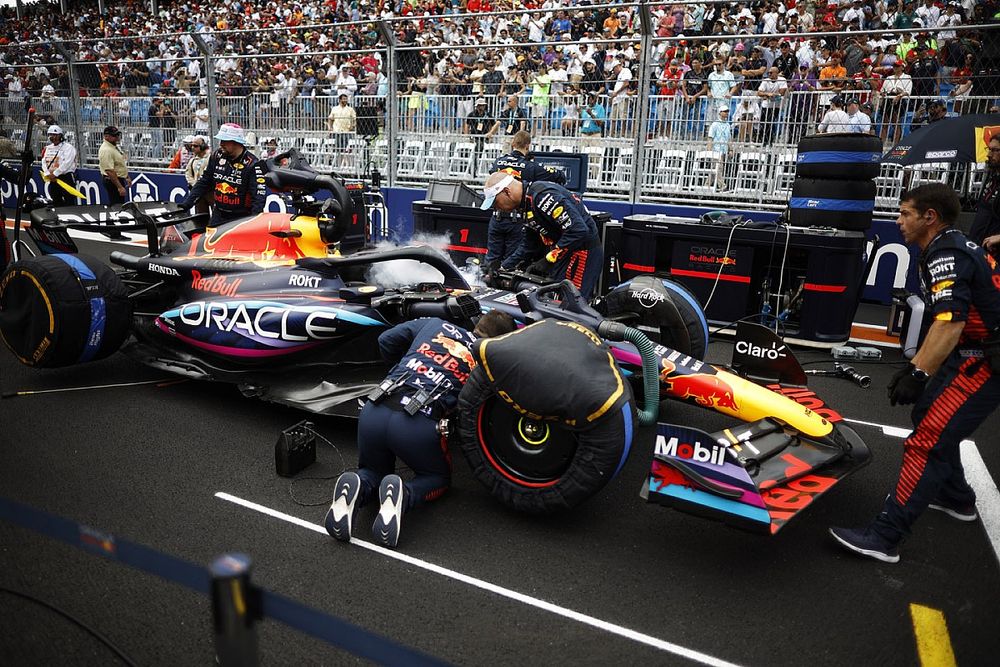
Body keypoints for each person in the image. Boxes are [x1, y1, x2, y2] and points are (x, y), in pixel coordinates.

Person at [830, 183, 1000, 563]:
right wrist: (917, 369)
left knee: (927, 441)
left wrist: (917, 373)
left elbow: (949, 323)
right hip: (972, 351)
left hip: (984, 359)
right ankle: (955, 496)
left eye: (905, 213)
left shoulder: (947, 252)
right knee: (927, 415)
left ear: (930, 217)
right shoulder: (947, 245)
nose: (898, 220)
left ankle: (885, 537)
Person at [325, 310, 517, 548]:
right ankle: (404, 494)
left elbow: (385, 340)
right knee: (437, 478)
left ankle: (359, 484)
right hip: (417, 423)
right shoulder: (489, 361)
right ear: (498, 342)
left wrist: (405, 367)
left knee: (373, 471)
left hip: (375, 408)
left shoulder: (435, 323)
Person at [481, 171, 604, 300]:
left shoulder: (543, 196)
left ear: (507, 192)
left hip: (582, 253)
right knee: (555, 301)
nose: (497, 209)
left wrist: (548, 259)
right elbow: (529, 245)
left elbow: (578, 230)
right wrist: (503, 267)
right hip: (565, 254)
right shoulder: (526, 203)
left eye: (496, 202)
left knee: (572, 304)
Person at [486, 130, 567, 269]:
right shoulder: (531, 166)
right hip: (517, 218)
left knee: (491, 261)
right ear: (528, 146)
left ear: (513, 143)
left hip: (496, 217)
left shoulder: (498, 162)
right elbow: (560, 176)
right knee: (511, 262)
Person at [177, 123, 266, 225]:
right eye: (221, 140)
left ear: (236, 142)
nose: (221, 144)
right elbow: (204, 181)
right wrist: (187, 203)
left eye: (225, 141)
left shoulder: (253, 164)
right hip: (219, 214)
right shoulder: (217, 155)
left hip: (241, 218)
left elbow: (259, 198)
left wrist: (252, 223)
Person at [971, 135, 1000, 253]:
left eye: (995, 150)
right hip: (979, 249)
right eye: (988, 149)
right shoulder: (992, 177)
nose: (988, 154)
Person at [40, 125, 78, 207]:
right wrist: (47, 174)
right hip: (52, 178)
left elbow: (67, 163)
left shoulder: (68, 147)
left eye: (55, 135)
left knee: (69, 199)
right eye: (50, 135)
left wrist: (55, 173)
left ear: (60, 135)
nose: (52, 137)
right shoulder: (47, 148)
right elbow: (43, 161)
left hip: (65, 177)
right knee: (56, 199)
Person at [98, 125, 130, 205]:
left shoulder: (113, 146)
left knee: (120, 202)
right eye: (114, 135)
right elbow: (109, 171)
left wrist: (126, 176)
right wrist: (119, 187)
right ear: (106, 136)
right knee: (117, 204)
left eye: (117, 135)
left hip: (117, 178)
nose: (117, 137)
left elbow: (119, 164)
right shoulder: (106, 150)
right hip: (113, 180)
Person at [183, 135, 211, 214]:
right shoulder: (193, 160)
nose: (192, 148)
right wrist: (195, 184)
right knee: (200, 214)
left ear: (203, 146)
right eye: (192, 145)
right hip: (198, 192)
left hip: (210, 191)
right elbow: (188, 173)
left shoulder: (210, 158)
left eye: (195, 146)